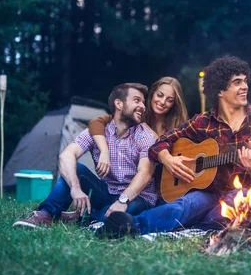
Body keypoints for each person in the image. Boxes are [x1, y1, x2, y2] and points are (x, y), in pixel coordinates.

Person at [98, 55, 251, 237]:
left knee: (241, 203)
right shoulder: (202, 122)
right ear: (220, 91)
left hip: (244, 197)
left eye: (245, 81)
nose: (245, 86)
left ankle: (193, 223)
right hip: (210, 195)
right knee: (183, 206)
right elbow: (158, 144)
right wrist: (168, 158)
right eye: (237, 82)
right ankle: (126, 226)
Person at [13, 83, 158, 228]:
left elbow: (145, 173)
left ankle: (85, 218)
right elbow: (66, 155)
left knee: (129, 210)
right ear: (119, 103)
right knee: (76, 169)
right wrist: (75, 188)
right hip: (107, 193)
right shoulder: (98, 132)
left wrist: (122, 201)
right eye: (137, 100)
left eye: (143, 102)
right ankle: (45, 214)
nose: (143, 106)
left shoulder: (145, 136)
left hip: (137, 197)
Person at [87, 77, 188, 180]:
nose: (162, 102)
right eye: (160, 95)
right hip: (136, 182)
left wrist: (149, 131)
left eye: (169, 100)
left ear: (174, 104)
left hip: (168, 183)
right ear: (152, 93)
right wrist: (104, 150)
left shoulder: (179, 126)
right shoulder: (135, 115)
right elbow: (95, 123)